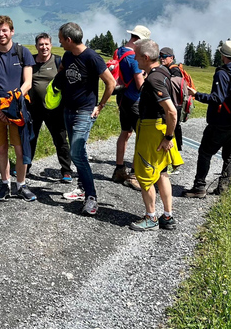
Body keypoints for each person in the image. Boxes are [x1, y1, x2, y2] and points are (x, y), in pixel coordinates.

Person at [58, 22, 116, 216]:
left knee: (76, 152)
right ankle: (82, 188)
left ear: (68, 39)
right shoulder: (67, 56)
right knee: (79, 151)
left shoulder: (92, 57)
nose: (59, 42)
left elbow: (111, 82)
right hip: (68, 110)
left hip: (84, 111)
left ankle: (91, 197)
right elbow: (62, 76)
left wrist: (100, 106)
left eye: (60, 38)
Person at [0, 15, 37, 202]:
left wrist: (12, 104)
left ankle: (21, 185)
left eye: (4, 30)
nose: (1, 34)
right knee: (1, 149)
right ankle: (5, 185)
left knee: (20, 149)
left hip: (17, 109)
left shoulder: (22, 52)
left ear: (12, 31)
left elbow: (28, 82)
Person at [129, 39, 183, 231]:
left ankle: (150, 217)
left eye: (137, 56)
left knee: (144, 174)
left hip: (153, 130)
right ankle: (167, 216)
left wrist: (168, 137)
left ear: (145, 57)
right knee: (162, 173)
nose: (135, 59)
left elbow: (171, 111)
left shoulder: (153, 79)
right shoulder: (164, 71)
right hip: (160, 128)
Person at [184, 40, 231, 198]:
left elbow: (217, 98)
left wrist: (196, 95)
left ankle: (199, 187)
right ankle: (223, 188)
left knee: (205, 152)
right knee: (229, 155)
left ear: (223, 55)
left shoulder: (222, 73)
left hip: (221, 121)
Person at [28, 33, 73, 182]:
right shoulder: (30, 62)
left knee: (60, 139)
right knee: (30, 139)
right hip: (33, 109)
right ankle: (25, 167)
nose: (44, 47)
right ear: (36, 46)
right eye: (41, 44)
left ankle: (66, 171)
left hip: (55, 110)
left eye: (46, 44)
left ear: (51, 45)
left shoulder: (58, 61)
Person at [112, 25, 150, 191]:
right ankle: (134, 175)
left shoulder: (119, 51)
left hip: (122, 98)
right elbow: (140, 83)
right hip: (135, 100)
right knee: (141, 137)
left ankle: (119, 169)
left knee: (125, 133)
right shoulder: (135, 57)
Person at [160, 46, 184, 170]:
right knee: (173, 130)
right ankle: (173, 160)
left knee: (172, 130)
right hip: (173, 104)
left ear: (171, 58)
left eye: (164, 56)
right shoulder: (169, 69)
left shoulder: (175, 71)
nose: (161, 59)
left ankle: (174, 162)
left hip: (174, 105)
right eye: (160, 56)